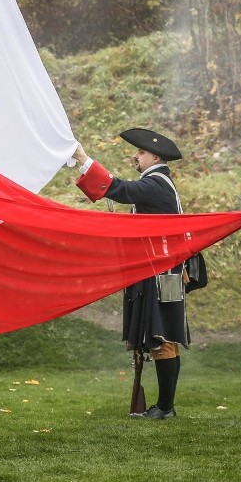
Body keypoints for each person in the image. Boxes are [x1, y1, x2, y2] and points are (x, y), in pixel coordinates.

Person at [71, 128, 188, 420]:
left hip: (161, 273)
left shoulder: (156, 184)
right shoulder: (158, 182)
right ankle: (164, 406)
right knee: (159, 335)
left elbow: (120, 189)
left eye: (140, 152)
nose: (135, 155)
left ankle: (165, 407)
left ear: (155, 157)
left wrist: (85, 160)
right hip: (160, 270)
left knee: (163, 336)